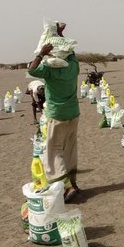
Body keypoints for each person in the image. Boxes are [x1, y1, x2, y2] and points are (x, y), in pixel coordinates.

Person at [27, 21, 81, 202]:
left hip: (56, 114)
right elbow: (70, 51)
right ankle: (73, 181)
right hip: (74, 113)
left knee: (54, 150)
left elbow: (31, 70)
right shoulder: (73, 66)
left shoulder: (49, 70)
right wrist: (60, 35)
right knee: (70, 148)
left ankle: (66, 186)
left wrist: (41, 53)